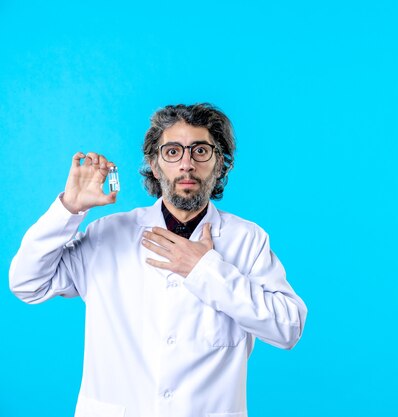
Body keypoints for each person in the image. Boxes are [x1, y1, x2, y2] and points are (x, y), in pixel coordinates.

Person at [9, 103, 307, 417]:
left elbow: (288, 328)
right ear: (154, 163)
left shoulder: (246, 239)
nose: (187, 164)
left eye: (201, 151)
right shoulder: (108, 234)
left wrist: (206, 271)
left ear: (220, 164)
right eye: (173, 152)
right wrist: (69, 209)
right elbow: (28, 284)